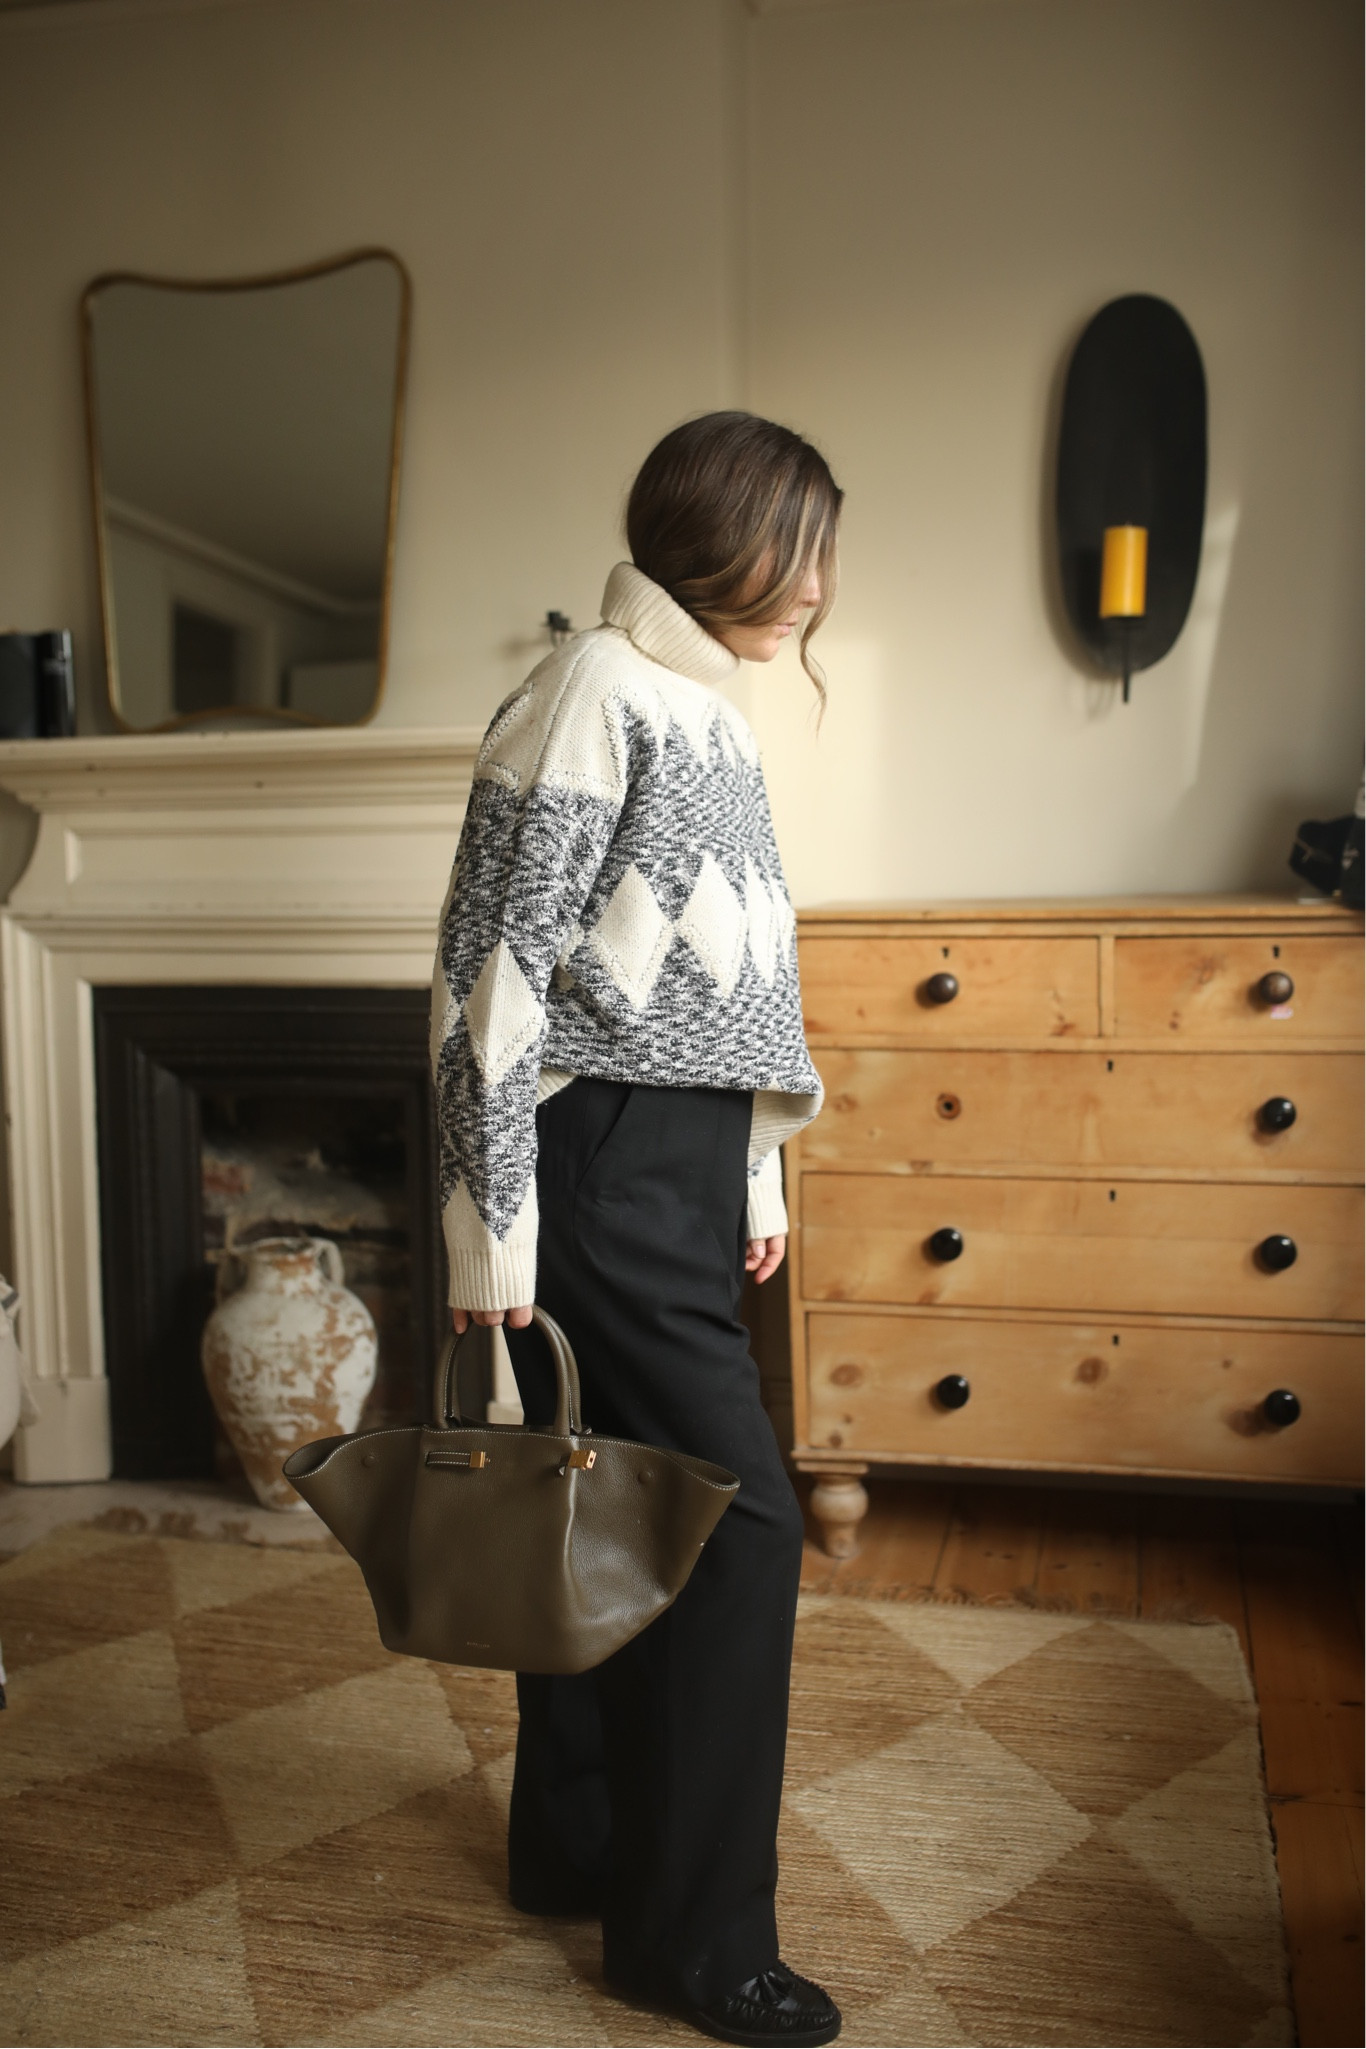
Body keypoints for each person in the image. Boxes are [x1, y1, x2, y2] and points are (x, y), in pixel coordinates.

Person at [432, 411, 843, 2046]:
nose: (815, 587)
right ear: (718, 530)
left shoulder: (703, 707)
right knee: (742, 1529)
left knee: (600, 1498)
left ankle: (577, 1843)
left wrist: (751, 1177)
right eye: (797, 548)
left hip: (671, 1161)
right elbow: (489, 980)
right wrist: (487, 1238)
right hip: (593, 1160)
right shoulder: (590, 689)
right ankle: (694, 1943)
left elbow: (728, 986)